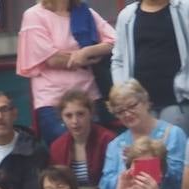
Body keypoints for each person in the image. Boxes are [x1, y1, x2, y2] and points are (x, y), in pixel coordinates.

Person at [16, 0, 116, 146]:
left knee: (96, 153)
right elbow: (52, 59)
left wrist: (88, 51)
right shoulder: (34, 15)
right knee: (63, 152)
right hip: (53, 102)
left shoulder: (84, 11)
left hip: (89, 98)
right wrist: (88, 58)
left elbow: (115, 40)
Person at [110, 0, 189, 136]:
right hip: (138, 104)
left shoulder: (186, 8)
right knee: (145, 154)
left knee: (175, 151)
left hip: (180, 101)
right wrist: (123, 91)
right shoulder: (127, 15)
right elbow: (118, 60)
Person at [99, 80, 188, 189]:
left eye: (132, 106)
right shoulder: (115, 145)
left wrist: (151, 161)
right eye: (120, 111)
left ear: (145, 102)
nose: (127, 114)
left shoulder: (173, 134)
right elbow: (106, 188)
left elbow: (179, 180)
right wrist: (127, 170)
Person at [48, 90, 116, 189]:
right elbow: (58, 186)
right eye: (68, 116)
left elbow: (113, 184)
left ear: (90, 114)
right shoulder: (57, 147)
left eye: (80, 114)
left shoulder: (108, 140)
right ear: (62, 118)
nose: (75, 121)